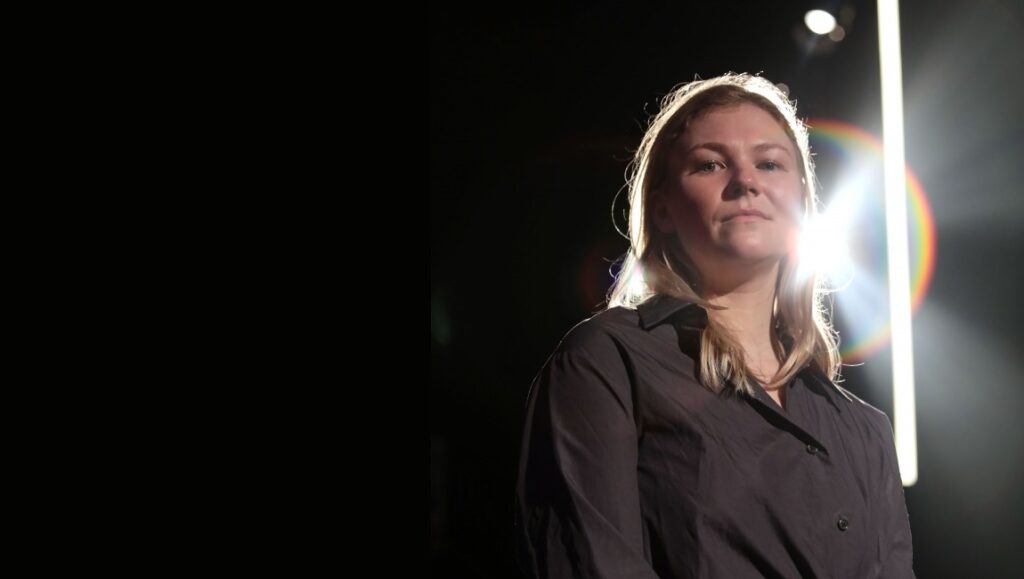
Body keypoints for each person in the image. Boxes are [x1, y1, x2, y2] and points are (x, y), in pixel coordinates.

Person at [513, 73, 915, 578]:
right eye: (711, 164)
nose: (746, 182)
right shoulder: (607, 361)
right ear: (662, 210)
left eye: (769, 163)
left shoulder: (865, 431)